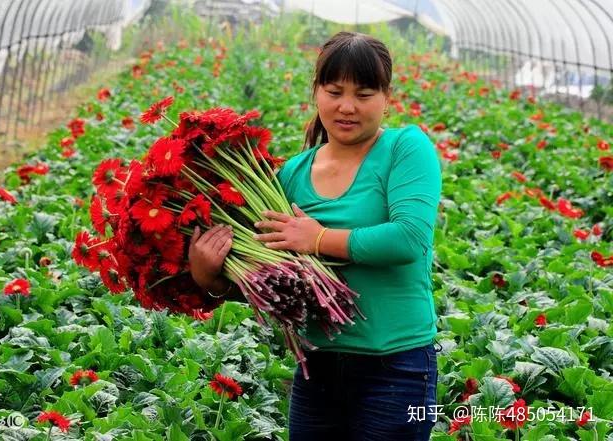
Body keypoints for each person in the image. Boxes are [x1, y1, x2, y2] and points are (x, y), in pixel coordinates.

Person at [189, 31, 442, 440]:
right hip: (317, 370)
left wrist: (319, 238)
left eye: (363, 94)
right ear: (317, 92)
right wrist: (211, 279)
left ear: (386, 97)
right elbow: (275, 284)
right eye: (334, 91)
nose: (347, 106)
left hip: (398, 370)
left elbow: (409, 239)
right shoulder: (291, 175)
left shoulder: (405, 148)